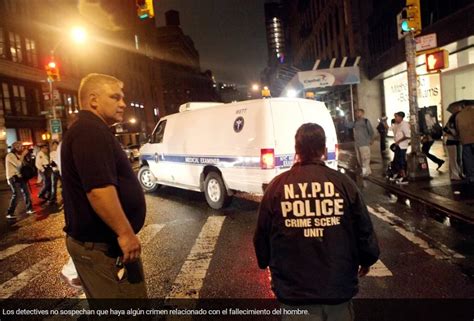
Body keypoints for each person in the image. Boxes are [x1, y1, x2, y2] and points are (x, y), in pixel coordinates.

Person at [254, 123, 380, 321]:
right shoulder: (343, 183)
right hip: (338, 288)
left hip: (294, 291)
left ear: (297, 150)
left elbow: (261, 234)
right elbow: (363, 228)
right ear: (324, 150)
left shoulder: (277, 187)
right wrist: (367, 258)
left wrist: (265, 261)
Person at [61, 73, 147, 298]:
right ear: (93, 100)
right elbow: (98, 191)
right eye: (115, 97)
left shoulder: (92, 130)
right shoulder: (89, 131)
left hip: (105, 246)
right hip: (101, 248)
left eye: (123, 98)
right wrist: (125, 233)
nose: (123, 103)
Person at [5, 141, 35, 219]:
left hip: (20, 177)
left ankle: (29, 209)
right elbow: (18, 164)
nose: (22, 148)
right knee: (16, 194)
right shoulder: (10, 155)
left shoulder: (18, 155)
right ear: (15, 148)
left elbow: (24, 165)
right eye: (20, 146)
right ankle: (9, 213)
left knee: (26, 193)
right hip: (13, 177)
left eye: (22, 146)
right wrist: (23, 155)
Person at [346, 109, 374, 177]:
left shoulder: (366, 121)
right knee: (360, 159)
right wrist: (347, 117)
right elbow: (347, 125)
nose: (357, 114)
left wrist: (371, 139)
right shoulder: (355, 122)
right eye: (356, 113)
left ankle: (365, 173)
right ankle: (367, 171)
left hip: (364, 143)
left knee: (365, 158)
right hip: (357, 144)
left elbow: (371, 131)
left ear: (362, 113)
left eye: (359, 112)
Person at [443, 104, 463, 180]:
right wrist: (454, 133)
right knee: (453, 159)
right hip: (451, 141)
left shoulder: (459, 119)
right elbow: (446, 131)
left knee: (458, 159)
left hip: (458, 141)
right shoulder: (451, 120)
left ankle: (459, 173)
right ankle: (455, 175)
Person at [455, 103, 474, 183]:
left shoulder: (459, 115)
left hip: (465, 141)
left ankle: (470, 176)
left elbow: (457, 128)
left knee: (468, 159)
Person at [391, 112, 411, 184]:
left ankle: (404, 177)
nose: (395, 118)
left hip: (402, 146)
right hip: (398, 145)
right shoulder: (397, 125)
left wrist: (399, 141)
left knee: (401, 161)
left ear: (400, 117)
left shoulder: (404, 124)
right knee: (397, 160)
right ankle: (399, 175)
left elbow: (407, 135)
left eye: (396, 116)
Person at [48, 140, 60, 205]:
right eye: (54, 145)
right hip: (54, 170)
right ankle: (53, 199)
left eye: (56, 145)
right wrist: (51, 163)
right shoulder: (51, 153)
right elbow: (51, 161)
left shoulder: (60, 152)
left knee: (64, 184)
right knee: (53, 185)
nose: (55, 146)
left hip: (60, 170)